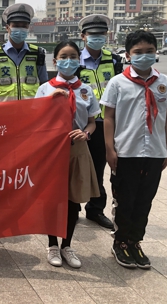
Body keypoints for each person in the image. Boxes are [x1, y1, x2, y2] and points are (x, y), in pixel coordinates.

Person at [101, 30, 167, 269]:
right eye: (138, 52)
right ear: (128, 55)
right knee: (124, 199)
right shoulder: (118, 82)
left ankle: (135, 241)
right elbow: (109, 117)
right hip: (126, 151)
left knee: (145, 200)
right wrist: (110, 149)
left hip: (154, 153)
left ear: (155, 53)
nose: (144, 56)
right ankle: (120, 243)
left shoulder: (164, 83)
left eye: (149, 52)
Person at [35, 40, 100, 269]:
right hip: (52, 151)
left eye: (73, 56)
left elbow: (92, 122)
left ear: (79, 60)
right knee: (53, 198)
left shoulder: (86, 89)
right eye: (64, 56)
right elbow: (35, 120)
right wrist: (50, 103)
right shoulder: (45, 88)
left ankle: (67, 245)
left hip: (77, 150)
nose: (69, 60)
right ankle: (52, 244)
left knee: (73, 199)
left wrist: (86, 134)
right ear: (55, 60)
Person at [77, 14, 123, 229]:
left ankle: (95, 209)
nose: (97, 38)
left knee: (99, 166)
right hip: (82, 121)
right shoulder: (74, 59)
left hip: (107, 121)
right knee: (76, 164)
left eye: (101, 34)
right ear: (83, 36)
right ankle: (73, 206)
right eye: (92, 34)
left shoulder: (113, 60)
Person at [0, 3, 48, 101]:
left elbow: (44, 85)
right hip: (3, 112)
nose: (20, 29)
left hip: (31, 112)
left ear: (28, 28)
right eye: (16, 25)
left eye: (24, 26)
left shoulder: (38, 54)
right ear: (7, 28)